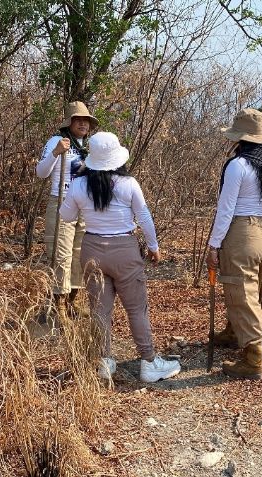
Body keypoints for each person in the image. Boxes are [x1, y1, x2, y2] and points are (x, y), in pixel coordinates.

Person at [59, 131, 181, 383]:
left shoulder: (80, 185)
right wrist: (153, 246)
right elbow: (144, 217)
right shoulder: (128, 184)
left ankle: (104, 361)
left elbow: (67, 216)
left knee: (99, 310)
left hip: (92, 248)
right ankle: (148, 361)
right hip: (124, 249)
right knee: (136, 309)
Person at [206, 108, 262, 380]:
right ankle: (235, 330)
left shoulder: (238, 165)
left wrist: (214, 244)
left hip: (242, 231)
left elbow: (226, 208)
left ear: (240, 138)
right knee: (253, 287)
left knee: (240, 289)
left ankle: (253, 356)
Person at [36, 101, 96, 317]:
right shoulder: (57, 141)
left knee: (79, 255)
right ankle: (58, 306)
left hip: (84, 206)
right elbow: (41, 172)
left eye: (86, 120)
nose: (82, 124)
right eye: (78, 120)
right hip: (61, 203)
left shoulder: (89, 147)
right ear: (69, 122)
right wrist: (55, 152)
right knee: (60, 255)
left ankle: (72, 302)